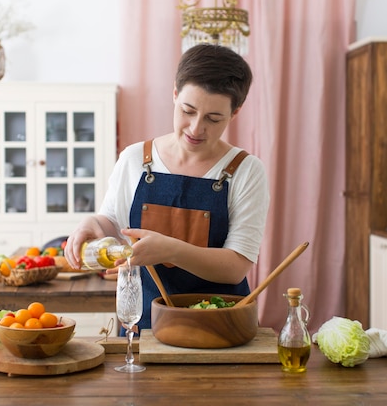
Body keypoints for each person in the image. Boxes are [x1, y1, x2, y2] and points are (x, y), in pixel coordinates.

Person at [65, 44, 270, 330]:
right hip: (144, 321)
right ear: (175, 94)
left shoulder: (246, 171)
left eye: (214, 118)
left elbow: (235, 267)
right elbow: (113, 223)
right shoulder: (135, 158)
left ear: (235, 113)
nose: (196, 128)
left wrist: (172, 251)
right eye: (188, 110)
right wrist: (92, 223)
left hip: (221, 326)